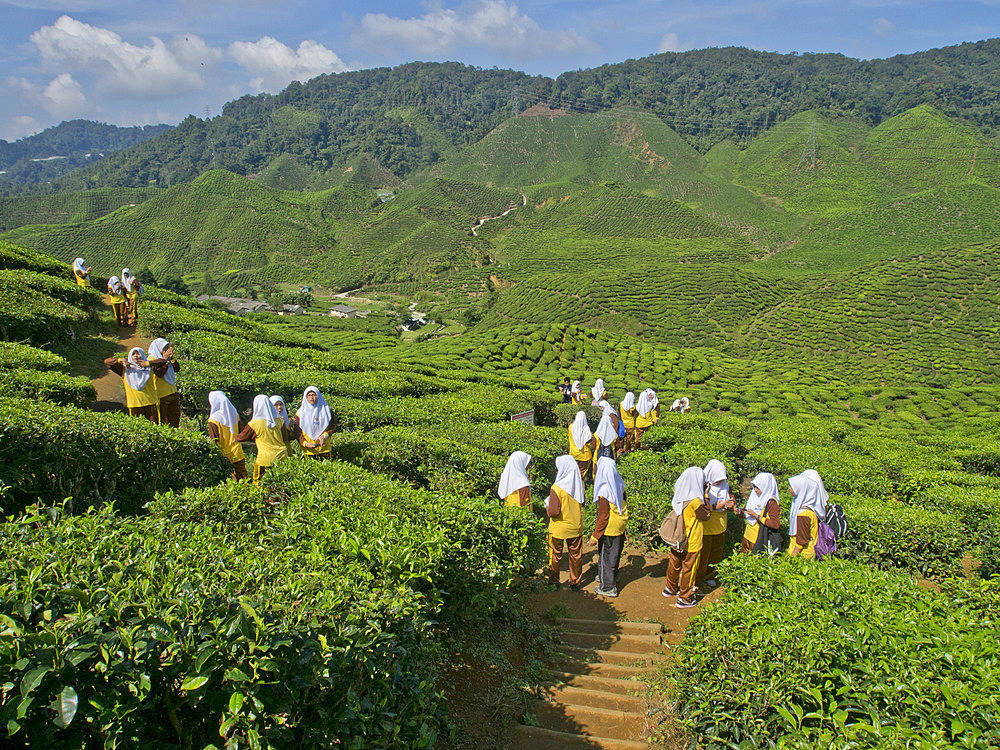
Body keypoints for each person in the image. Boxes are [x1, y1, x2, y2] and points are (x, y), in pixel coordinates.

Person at [663, 466, 711, 608]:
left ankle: (670, 588)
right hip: (692, 540)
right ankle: (685, 597)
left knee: (674, 563)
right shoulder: (695, 501)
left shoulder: (679, 492)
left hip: (678, 537)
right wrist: (706, 496)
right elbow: (706, 516)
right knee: (689, 568)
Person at [589, 457, 628, 597]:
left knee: (606, 556)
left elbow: (603, 516)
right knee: (614, 553)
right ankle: (611, 576)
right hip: (620, 524)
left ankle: (607, 587)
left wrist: (595, 536)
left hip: (610, 527)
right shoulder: (618, 482)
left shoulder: (604, 489)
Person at [547, 455, 585, 589]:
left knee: (555, 555)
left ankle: (554, 582)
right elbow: (582, 502)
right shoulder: (578, 484)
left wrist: (547, 508)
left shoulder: (556, 488)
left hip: (558, 528)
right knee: (575, 556)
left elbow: (553, 512)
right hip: (575, 526)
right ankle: (575, 582)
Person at [235, 394, 290, 485]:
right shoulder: (279, 420)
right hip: (281, 456)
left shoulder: (255, 423)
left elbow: (243, 437)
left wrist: (234, 439)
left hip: (264, 459)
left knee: (258, 483)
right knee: (280, 483)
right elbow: (285, 438)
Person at [698, 459, 735, 588]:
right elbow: (699, 506)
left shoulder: (726, 485)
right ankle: (698, 577)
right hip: (707, 526)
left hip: (720, 526)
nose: (720, 481)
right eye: (718, 479)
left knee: (715, 554)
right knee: (704, 554)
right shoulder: (703, 486)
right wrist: (714, 506)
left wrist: (730, 505)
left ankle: (709, 576)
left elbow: (731, 499)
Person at [103, 347, 158, 422]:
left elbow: (162, 362)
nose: (135, 356)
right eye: (133, 354)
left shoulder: (149, 367)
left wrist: (147, 363)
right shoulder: (125, 369)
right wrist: (121, 360)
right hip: (134, 404)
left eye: (138, 354)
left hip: (150, 402)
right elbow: (107, 362)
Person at [788, 470, 829, 559]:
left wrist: (792, 558)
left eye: (792, 487)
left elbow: (802, 540)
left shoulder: (804, 514)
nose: (789, 488)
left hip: (803, 555)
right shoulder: (809, 509)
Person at [206, 390, 247, 480]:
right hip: (237, 453)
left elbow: (214, 440)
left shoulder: (213, 420)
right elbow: (241, 430)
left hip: (223, 456)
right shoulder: (234, 414)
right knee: (243, 481)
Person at [739, 472, 781, 554]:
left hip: (759, 540)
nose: (755, 490)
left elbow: (775, 524)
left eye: (758, 487)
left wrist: (757, 516)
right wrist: (739, 512)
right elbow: (747, 514)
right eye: (754, 487)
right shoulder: (754, 497)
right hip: (747, 537)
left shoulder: (771, 503)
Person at [147, 338, 181, 428]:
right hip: (161, 395)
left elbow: (177, 368)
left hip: (172, 392)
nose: (166, 350)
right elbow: (159, 374)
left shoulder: (168, 359)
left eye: (167, 347)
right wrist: (165, 360)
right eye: (164, 348)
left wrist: (171, 359)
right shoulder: (152, 358)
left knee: (174, 419)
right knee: (163, 421)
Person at [295, 386, 336, 459]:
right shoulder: (300, 413)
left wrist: (324, 435)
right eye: (309, 395)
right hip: (307, 450)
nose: (311, 397)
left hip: (324, 449)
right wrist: (305, 443)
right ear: (306, 397)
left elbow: (333, 426)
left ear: (318, 396)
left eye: (314, 395)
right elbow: (297, 431)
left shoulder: (327, 410)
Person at [568, 410, 596, 481]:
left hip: (573, 453)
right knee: (581, 473)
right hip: (584, 455)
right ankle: (581, 488)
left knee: (573, 472)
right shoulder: (586, 429)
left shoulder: (571, 427)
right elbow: (588, 441)